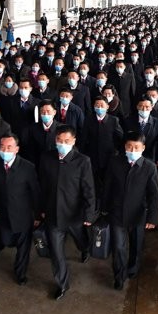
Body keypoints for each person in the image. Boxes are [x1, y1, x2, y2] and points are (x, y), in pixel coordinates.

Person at [38, 126, 97, 300]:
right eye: (59, 141)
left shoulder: (82, 161)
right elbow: (41, 186)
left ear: (73, 141)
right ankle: (62, 284)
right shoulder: (46, 158)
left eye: (66, 141)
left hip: (74, 215)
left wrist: (89, 214)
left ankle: (84, 249)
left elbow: (89, 190)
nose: (62, 144)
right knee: (56, 252)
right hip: (52, 215)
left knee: (81, 240)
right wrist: (40, 209)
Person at [104, 132, 158, 290]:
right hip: (117, 213)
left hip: (138, 214)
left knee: (136, 245)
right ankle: (119, 276)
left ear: (143, 148)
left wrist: (152, 217)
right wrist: (103, 209)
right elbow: (107, 187)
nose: (133, 150)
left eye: (136, 147)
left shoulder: (149, 167)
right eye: (129, 146)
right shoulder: (115, 162)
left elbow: (154, 194)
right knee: (118, 247)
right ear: (124, 147)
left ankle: (133, 268)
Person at [0, 134, 41, 285]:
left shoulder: (27, 167)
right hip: (3, 213)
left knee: (23, 248)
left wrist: (37, 214)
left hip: (23, 215)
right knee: (7, 240)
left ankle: (20, 273)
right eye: (2, 147)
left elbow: (35, 192)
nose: (5, 150)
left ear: (16, 149)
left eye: (9, 147)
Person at [125, 98, 158, 169]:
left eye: (147, 107)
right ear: (137, 107)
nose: (144, 109)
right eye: (141, 106)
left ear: (151, 107)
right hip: (131, 157)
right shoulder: (128, 121)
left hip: (150, 158)